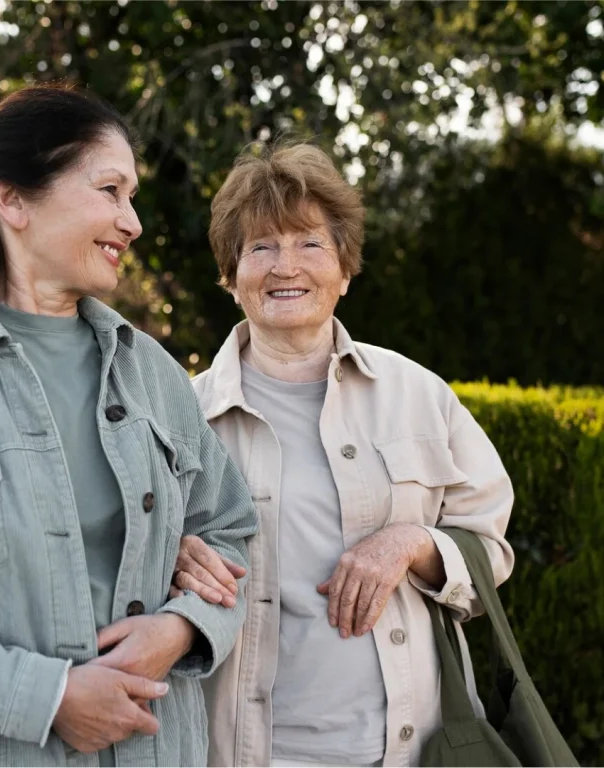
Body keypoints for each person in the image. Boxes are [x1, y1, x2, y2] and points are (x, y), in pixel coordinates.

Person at [0, 85, 258, 767]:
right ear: (13, 200)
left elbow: (231, 531)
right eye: (110, 190)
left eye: (132, 196)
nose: (134, 222)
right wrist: (43, 697)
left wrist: (182, 628)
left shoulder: (150, 371)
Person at [170, 143, 515, 767]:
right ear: (231, 274)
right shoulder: (179, 417)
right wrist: (167, 557)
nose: (285, 266)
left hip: (410, 750)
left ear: (345, 270)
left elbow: (490, 549)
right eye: (261, 247)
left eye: (309, 244)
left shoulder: (419, 394)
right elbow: (122, 562)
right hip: (245, 755)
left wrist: (411, 541)